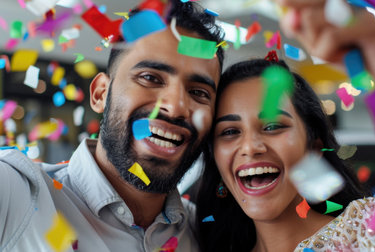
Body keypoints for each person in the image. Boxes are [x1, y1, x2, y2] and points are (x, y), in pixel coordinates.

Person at [195, 1, 375, 251]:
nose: (250, 146)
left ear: (314, 147)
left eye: (273, 126)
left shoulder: (369, 235)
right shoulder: (198, 243)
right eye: (229, 132)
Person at [0, 1, 224, 251]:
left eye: (198, 92)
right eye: (150, 78)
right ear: (100, 94)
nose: (175, 107)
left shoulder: (207, 232)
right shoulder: (16, 194)